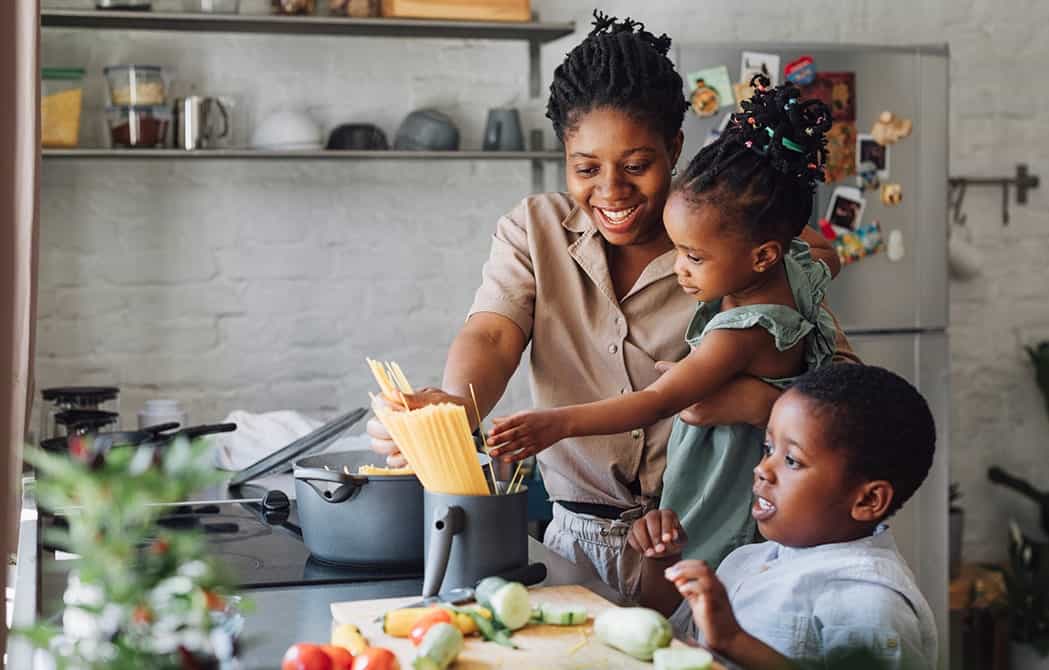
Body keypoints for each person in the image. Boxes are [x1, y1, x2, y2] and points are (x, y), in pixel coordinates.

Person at [368, 13, 856, 599]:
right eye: (586, 168)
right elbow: (493, 336)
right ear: (565, 157)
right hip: (574, 541)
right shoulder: (535, 229)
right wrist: (453, 409)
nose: (611, 191)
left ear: (674, 147)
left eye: (636, 166)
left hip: (716, 541)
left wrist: (755, 404)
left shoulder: (732, 246)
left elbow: (843, 392)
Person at [488, 74, 841, 572]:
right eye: (585, 167)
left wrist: (557, 422)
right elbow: (825, 253)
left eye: (692, 256)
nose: (680, 269)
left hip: (704, 521)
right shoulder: (785, 270)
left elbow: (657, 402)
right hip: (604, 530)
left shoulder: (739, 326)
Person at [634, 364, 939, 669]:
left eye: (792, 460)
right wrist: (662, 560)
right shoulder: (746, 561)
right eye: (768, 448)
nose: (762, 469)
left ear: (868, 500)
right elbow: (678, 635)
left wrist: (734, 641)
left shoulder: (870, 605)